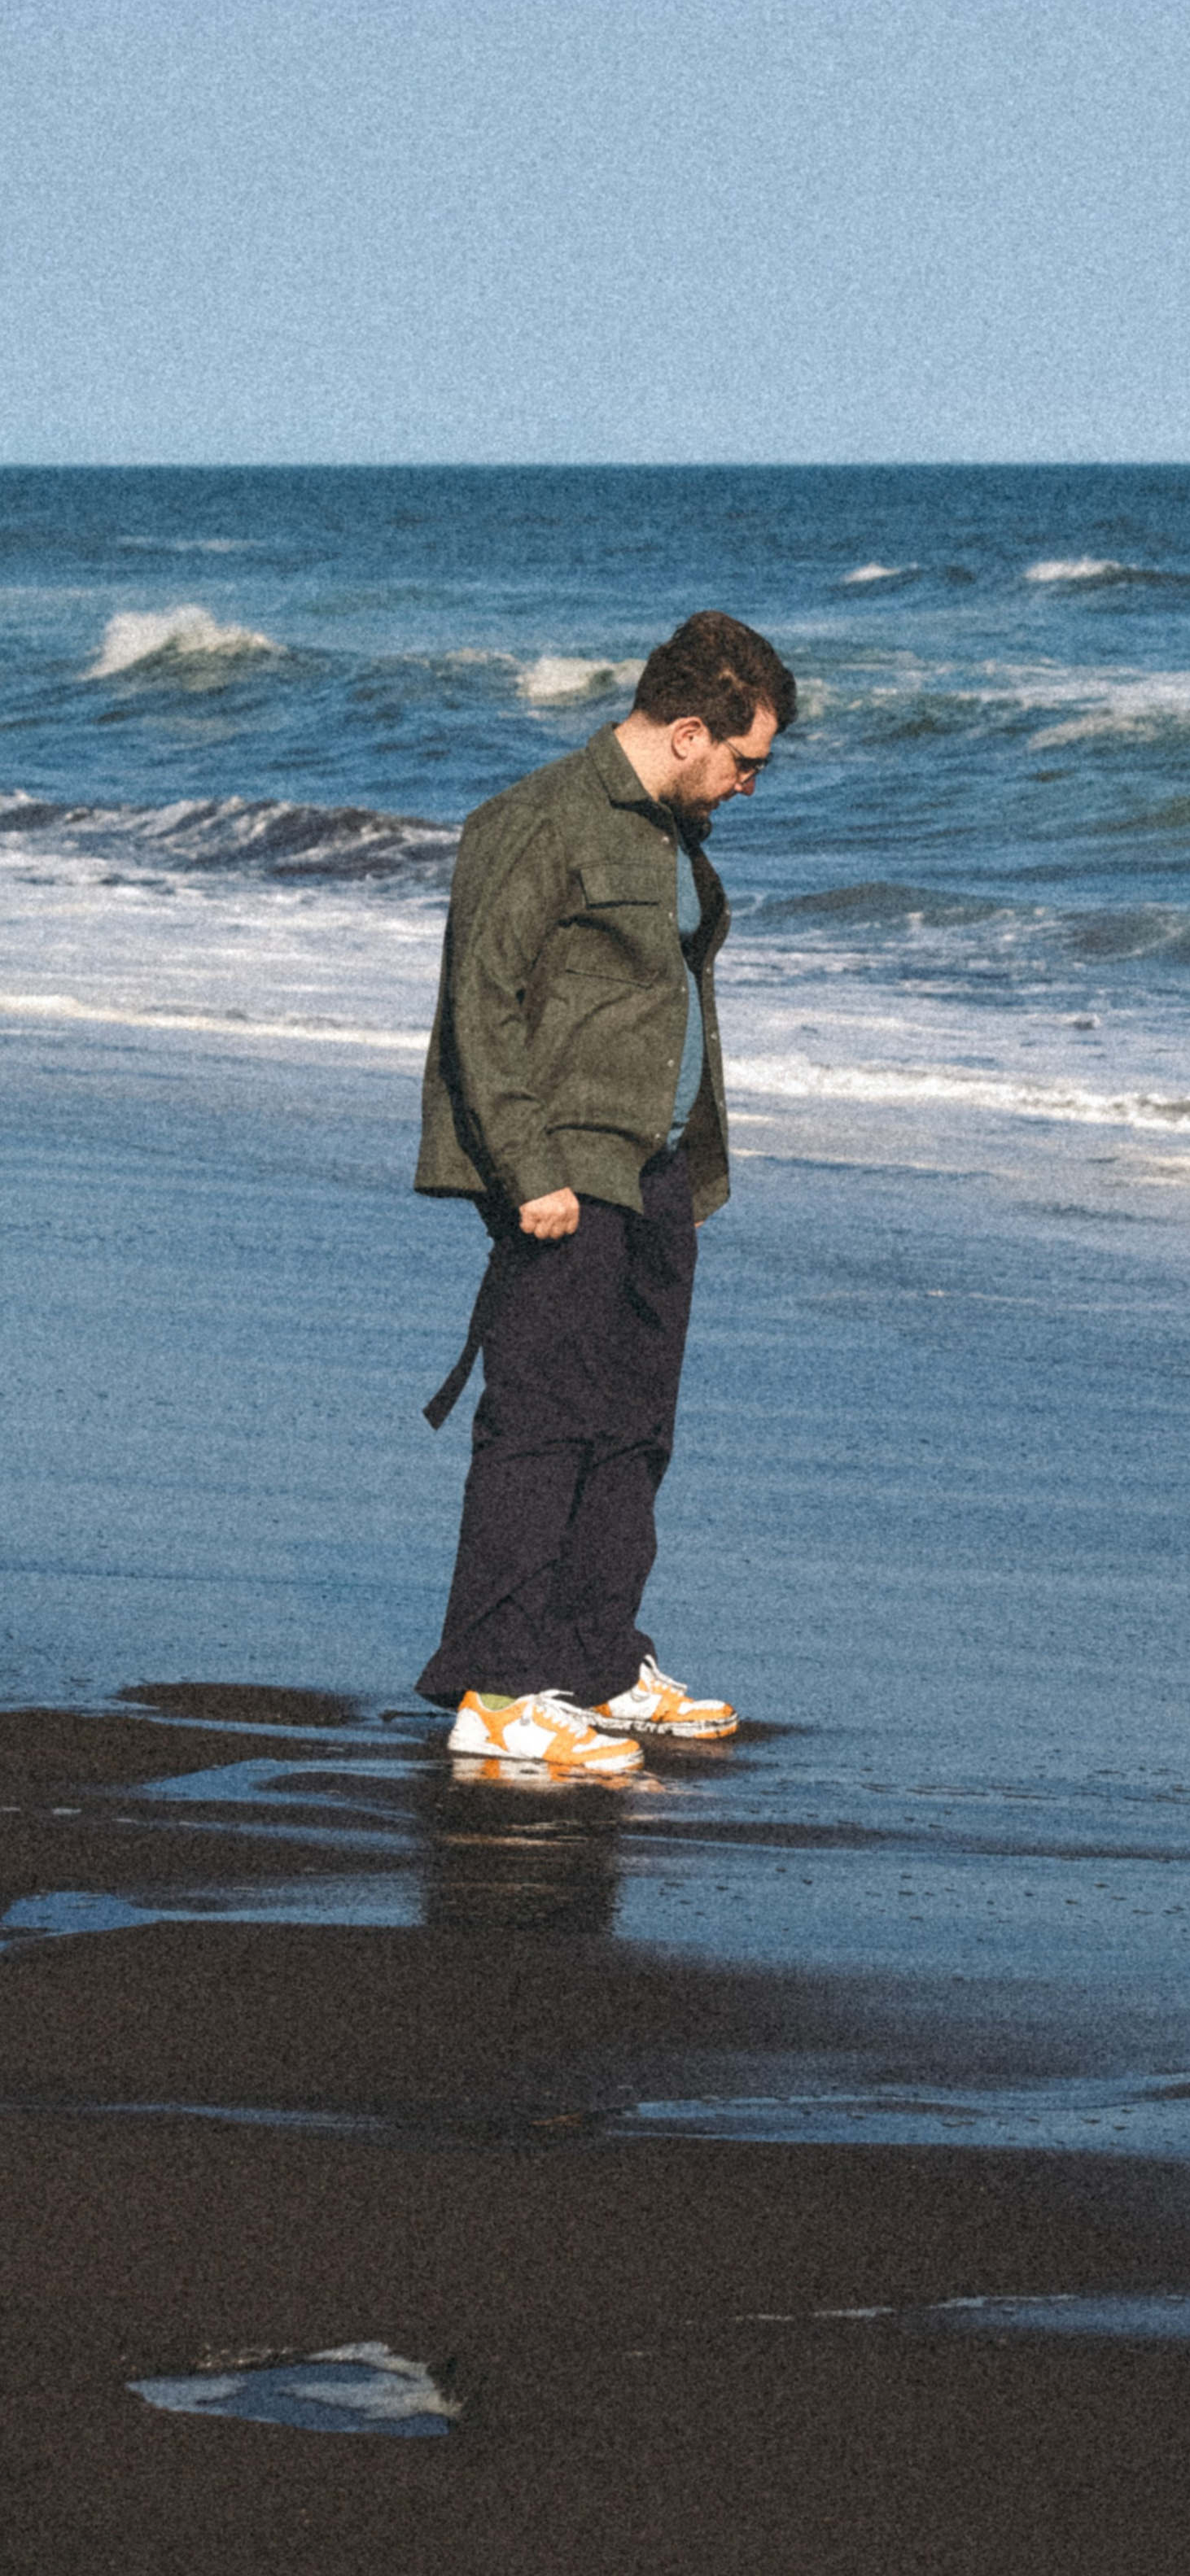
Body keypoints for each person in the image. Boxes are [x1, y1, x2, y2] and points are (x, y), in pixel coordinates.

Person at [412, 607, 797, 1775]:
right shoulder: (537, 823)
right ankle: (495, 1688)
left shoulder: (667, 835)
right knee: (540, 1425)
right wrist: (529, 1173)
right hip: (565, 1169)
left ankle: (593, 1662)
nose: (745, 787)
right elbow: (482, 1004)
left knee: (633, 1429)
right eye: (743, 763)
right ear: (690, 732)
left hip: (656, 1168)